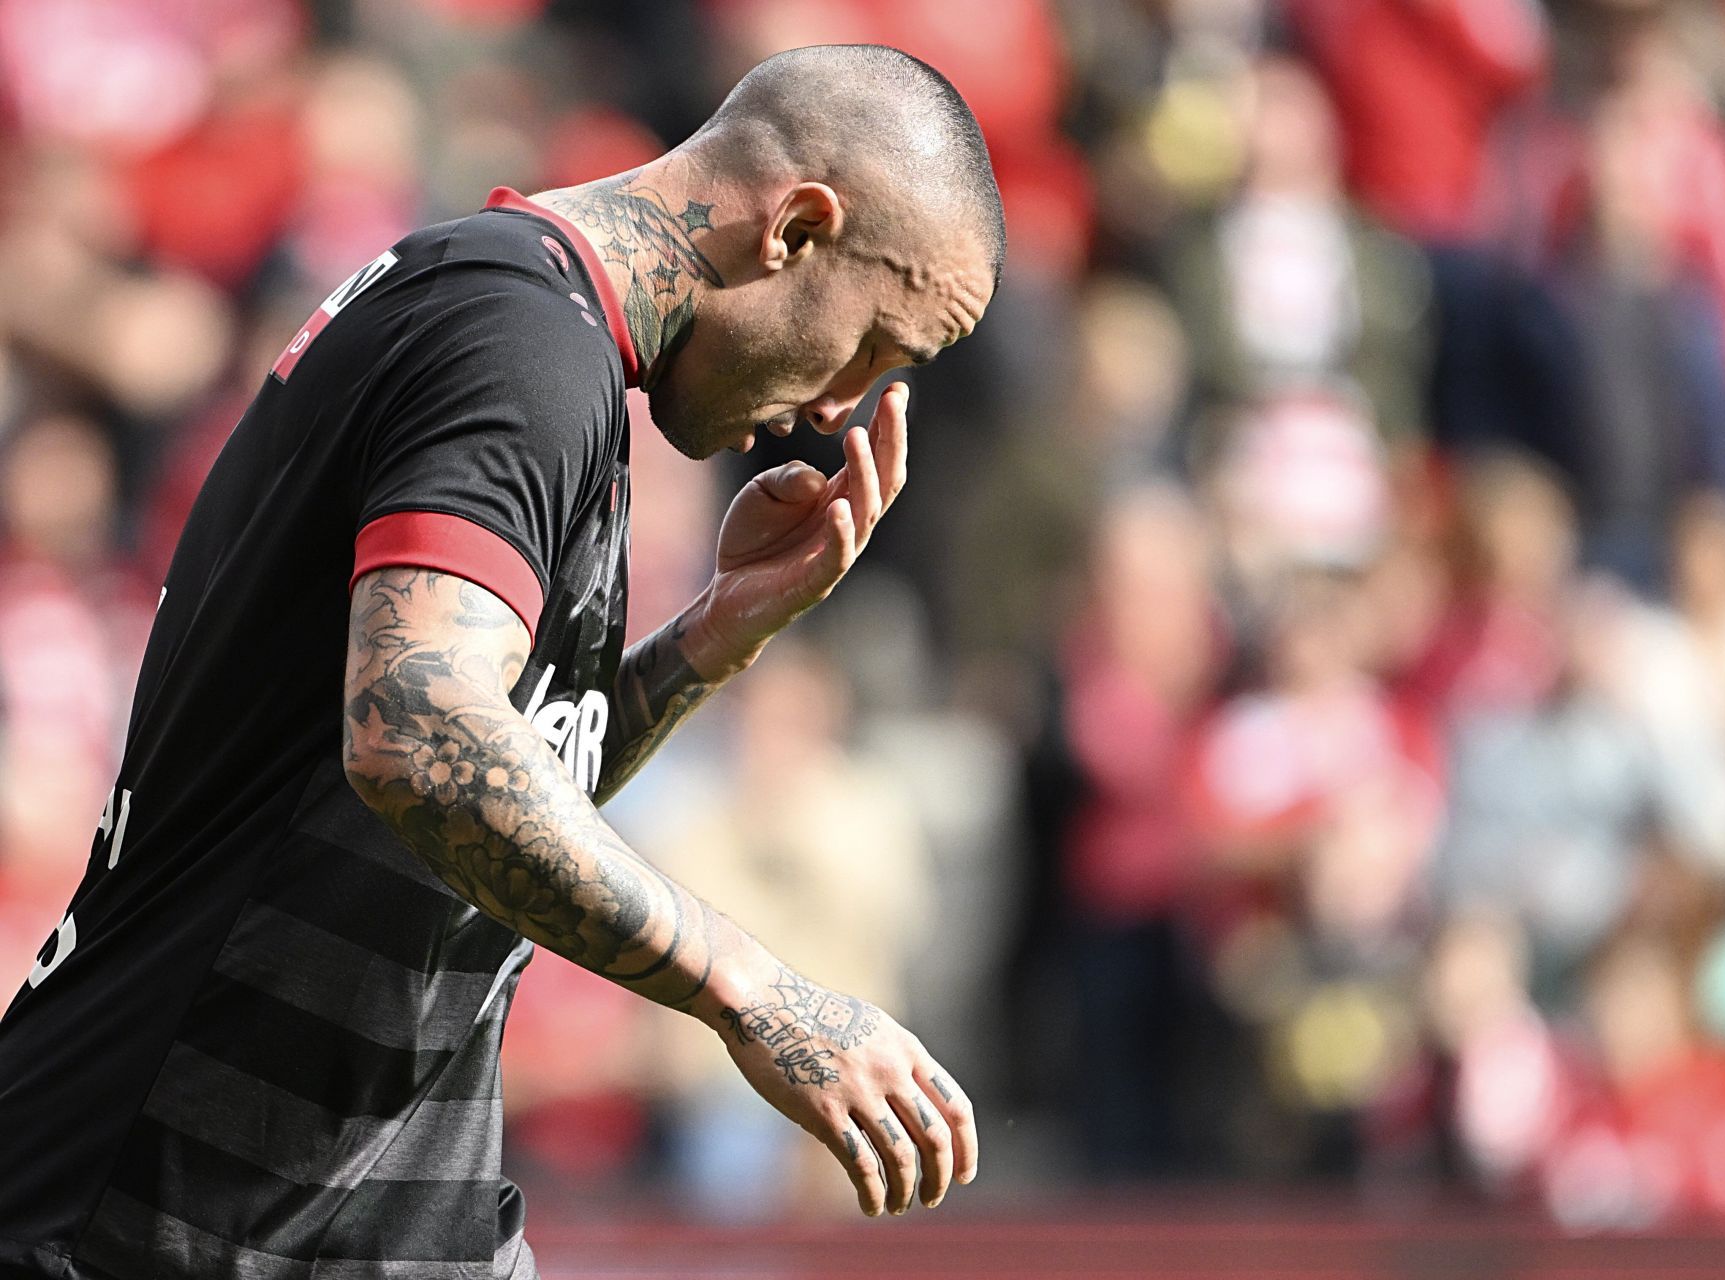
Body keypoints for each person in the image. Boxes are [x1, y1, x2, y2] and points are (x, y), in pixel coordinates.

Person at [0, 42, 1001, 1279]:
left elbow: (472, 801)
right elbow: (418, 733)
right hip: (160, 1219)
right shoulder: (516, 338)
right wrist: (762, 995)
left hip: (364, 1227)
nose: (838, 409)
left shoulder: (539, 345)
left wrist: (704, 641)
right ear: (796, 229)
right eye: (870, 346)